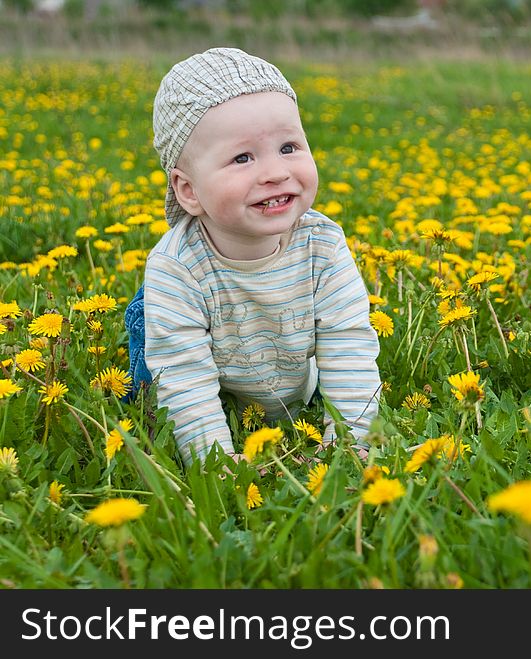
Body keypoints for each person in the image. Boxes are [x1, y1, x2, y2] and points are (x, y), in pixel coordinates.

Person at [124, 47, 381, 467]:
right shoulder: (177, 268)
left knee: (343, 367)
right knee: (158, 385)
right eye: (242, 158)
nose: (275, 172)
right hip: (203, 387)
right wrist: (218, 464)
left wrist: (352, 442)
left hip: (290, 380)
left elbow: (347, 344)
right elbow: (185, 380)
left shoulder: (324, 246)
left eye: (289, 147)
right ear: (188, 190)